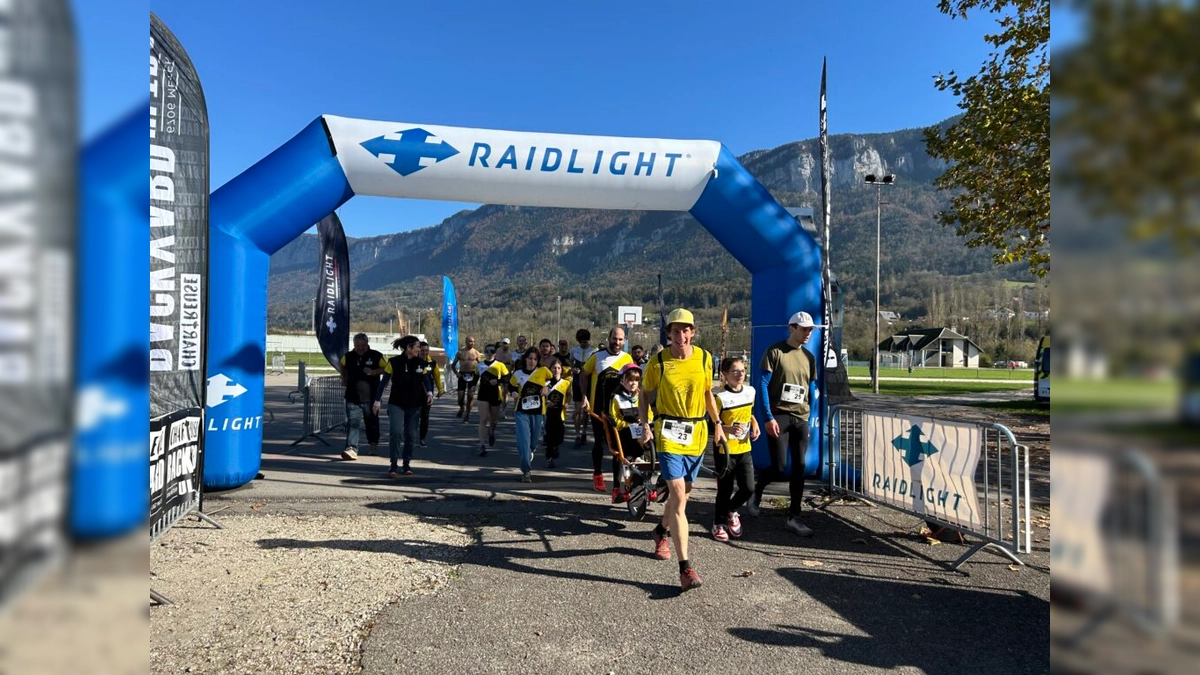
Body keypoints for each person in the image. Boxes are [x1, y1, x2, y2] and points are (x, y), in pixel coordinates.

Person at [639, 308, 724, 592]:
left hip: (697, 434)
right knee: (676, 493)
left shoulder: (704, 358)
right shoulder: (658, 361)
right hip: (668, 432)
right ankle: (685, 568)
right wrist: (645, 423)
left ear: (693, 332)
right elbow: (644, 393)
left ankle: (660, 531)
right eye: (676, 331)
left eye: (686, 330)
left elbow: (706, 393)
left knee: (681, 501)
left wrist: (718, 424)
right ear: (669, 334)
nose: (681, 336)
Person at [749, 311, 821, 537]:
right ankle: (757, 490)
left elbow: (810, 389)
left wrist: (809, 415)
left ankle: (794, 517)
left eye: (810, 329)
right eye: (804, 329)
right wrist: (768, 417)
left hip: (800, 417)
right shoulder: (775, 351)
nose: (808, 333)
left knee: (799, 468)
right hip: (778, 415)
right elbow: (762, 385)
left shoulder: (809, 357)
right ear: (792, 328)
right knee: (779, 467)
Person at [711, 356, 760, 542]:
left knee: (748, 487)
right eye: (735, 371)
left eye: (743, 370)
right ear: (724, 375)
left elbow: (749, 413)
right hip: (725, 449)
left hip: (744, 447)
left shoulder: (750, 391)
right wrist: (727, 428)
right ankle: (718, 523)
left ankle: (731, 510)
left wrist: (755, 424)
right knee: (725, 489)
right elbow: (710, 426)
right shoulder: (720, 398)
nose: (740, 374)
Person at [581, 326, 634, 492]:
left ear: (624, 341)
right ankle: (597, 475)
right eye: (614, 339)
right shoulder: (597, 357)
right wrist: (584, 397)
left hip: (618, 410)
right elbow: (584, 374)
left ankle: (617, 487)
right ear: (608, 339)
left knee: (619, 448)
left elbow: (633, 382)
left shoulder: (627, 358)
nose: (616, 342)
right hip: (598, 408)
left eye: (620, 339)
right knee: (599, 442)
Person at [375, 335, 434, 478]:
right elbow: (383, 383)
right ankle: (393, 464)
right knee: (396, 432)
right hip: (396, 403)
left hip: (414, 405)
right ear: (409, 348)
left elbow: (426, 380)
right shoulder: (393, 362)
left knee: (411, 435)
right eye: (417, 347)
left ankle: (406, 463)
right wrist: (377, 401)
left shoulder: (420, 363)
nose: (420, 350)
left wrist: (430, 393)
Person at [607, 362, 654, 504]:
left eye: (636, 380)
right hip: (623, 434)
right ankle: (616, 487)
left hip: (640, 432)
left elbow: (650, 413)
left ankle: (650, 482)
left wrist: (645, 422)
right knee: (621, 455)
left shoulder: (641, 395)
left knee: (653, 439)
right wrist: (629, 425)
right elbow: (614, 418)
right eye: (630, 380)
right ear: (623, 380)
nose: (633, 383)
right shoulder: (616, 398)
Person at [339, 333, 385, 460]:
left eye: (362, 345)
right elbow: (341, 364)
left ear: (367, 344)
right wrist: (343, 378)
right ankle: (352, 448)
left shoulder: (376, 355)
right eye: (357, 345)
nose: (360, 348)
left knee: (371, 423)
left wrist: (374, 372)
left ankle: (373, 444)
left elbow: (386, 368)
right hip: (352, 397)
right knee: (353, 423)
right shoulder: (348, 356)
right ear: (354, 345)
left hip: (371, 398)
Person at [509, 347, 552, 483]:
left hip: (539, 412)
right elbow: (511, 386)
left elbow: (554, 380)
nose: (532, 361)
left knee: (533, 442)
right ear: (525, 359)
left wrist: (547, 388)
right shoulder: (518, 373)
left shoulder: (543, 371)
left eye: (535, 359)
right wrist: (513, 393)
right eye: (530, 358)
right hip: (522, 411)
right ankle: (526, 471)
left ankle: (528, 453)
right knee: (524, 442)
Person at [475, 344, 509, 457]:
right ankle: (482, 445)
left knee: (494, 420)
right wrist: (472, 387)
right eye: (487, 351)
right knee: (483, 418)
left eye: (492, 351)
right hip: (483, 394)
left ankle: (491, 432)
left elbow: (507, 377)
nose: (489, 353)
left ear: (495, 353)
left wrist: (498, 381)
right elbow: (475, 378)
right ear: (484, 352)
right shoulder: (479, 365)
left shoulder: (500, 365)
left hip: (495, 394)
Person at [542, 357, 571, 469]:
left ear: (561, 370)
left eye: (559, 368)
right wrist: (547, 402)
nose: (556, 370)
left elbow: (569, 395)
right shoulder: (546, 383)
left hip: (560, 413)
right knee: (549, 436)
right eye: (554, 368)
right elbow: (542, 396)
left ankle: (555, 447)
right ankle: (549, 458)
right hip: (548, 412)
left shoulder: (566, 383)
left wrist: (567, 403)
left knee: (560, 436)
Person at [569, 329, 597, 448]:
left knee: (586, 410)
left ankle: (584, 432)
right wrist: (573, 369)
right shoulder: (574, 350)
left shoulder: (594, 351)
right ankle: (577, 434)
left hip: (589, 380)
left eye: (585, 342)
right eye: (581, 342)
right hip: (577, 381)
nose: (583, 344)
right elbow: (571, 362)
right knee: (577, 409)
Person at [417, 341, 443, 447]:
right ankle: (409, 435)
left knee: (425, 416)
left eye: (426, 351)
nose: (424, 353)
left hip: (427, 394)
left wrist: (440, 390)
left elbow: (437, 377)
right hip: (414, 393)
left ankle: (422, 438)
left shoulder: (432, 363)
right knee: (413, 415)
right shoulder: (414, 362)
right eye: (422, 351)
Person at [450, 336, 481, 422]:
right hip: (462, 374)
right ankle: (461, 407)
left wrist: (480, 375)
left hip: (473, 374)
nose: (472, 343)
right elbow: (453, 365)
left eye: (473, 341)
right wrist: (457, 373)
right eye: (470, 341)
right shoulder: (460, 352)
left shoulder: (476, 353)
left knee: (470, 396)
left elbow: (481, 366)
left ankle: (467, 415)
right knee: (460, 396)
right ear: (466, 341)